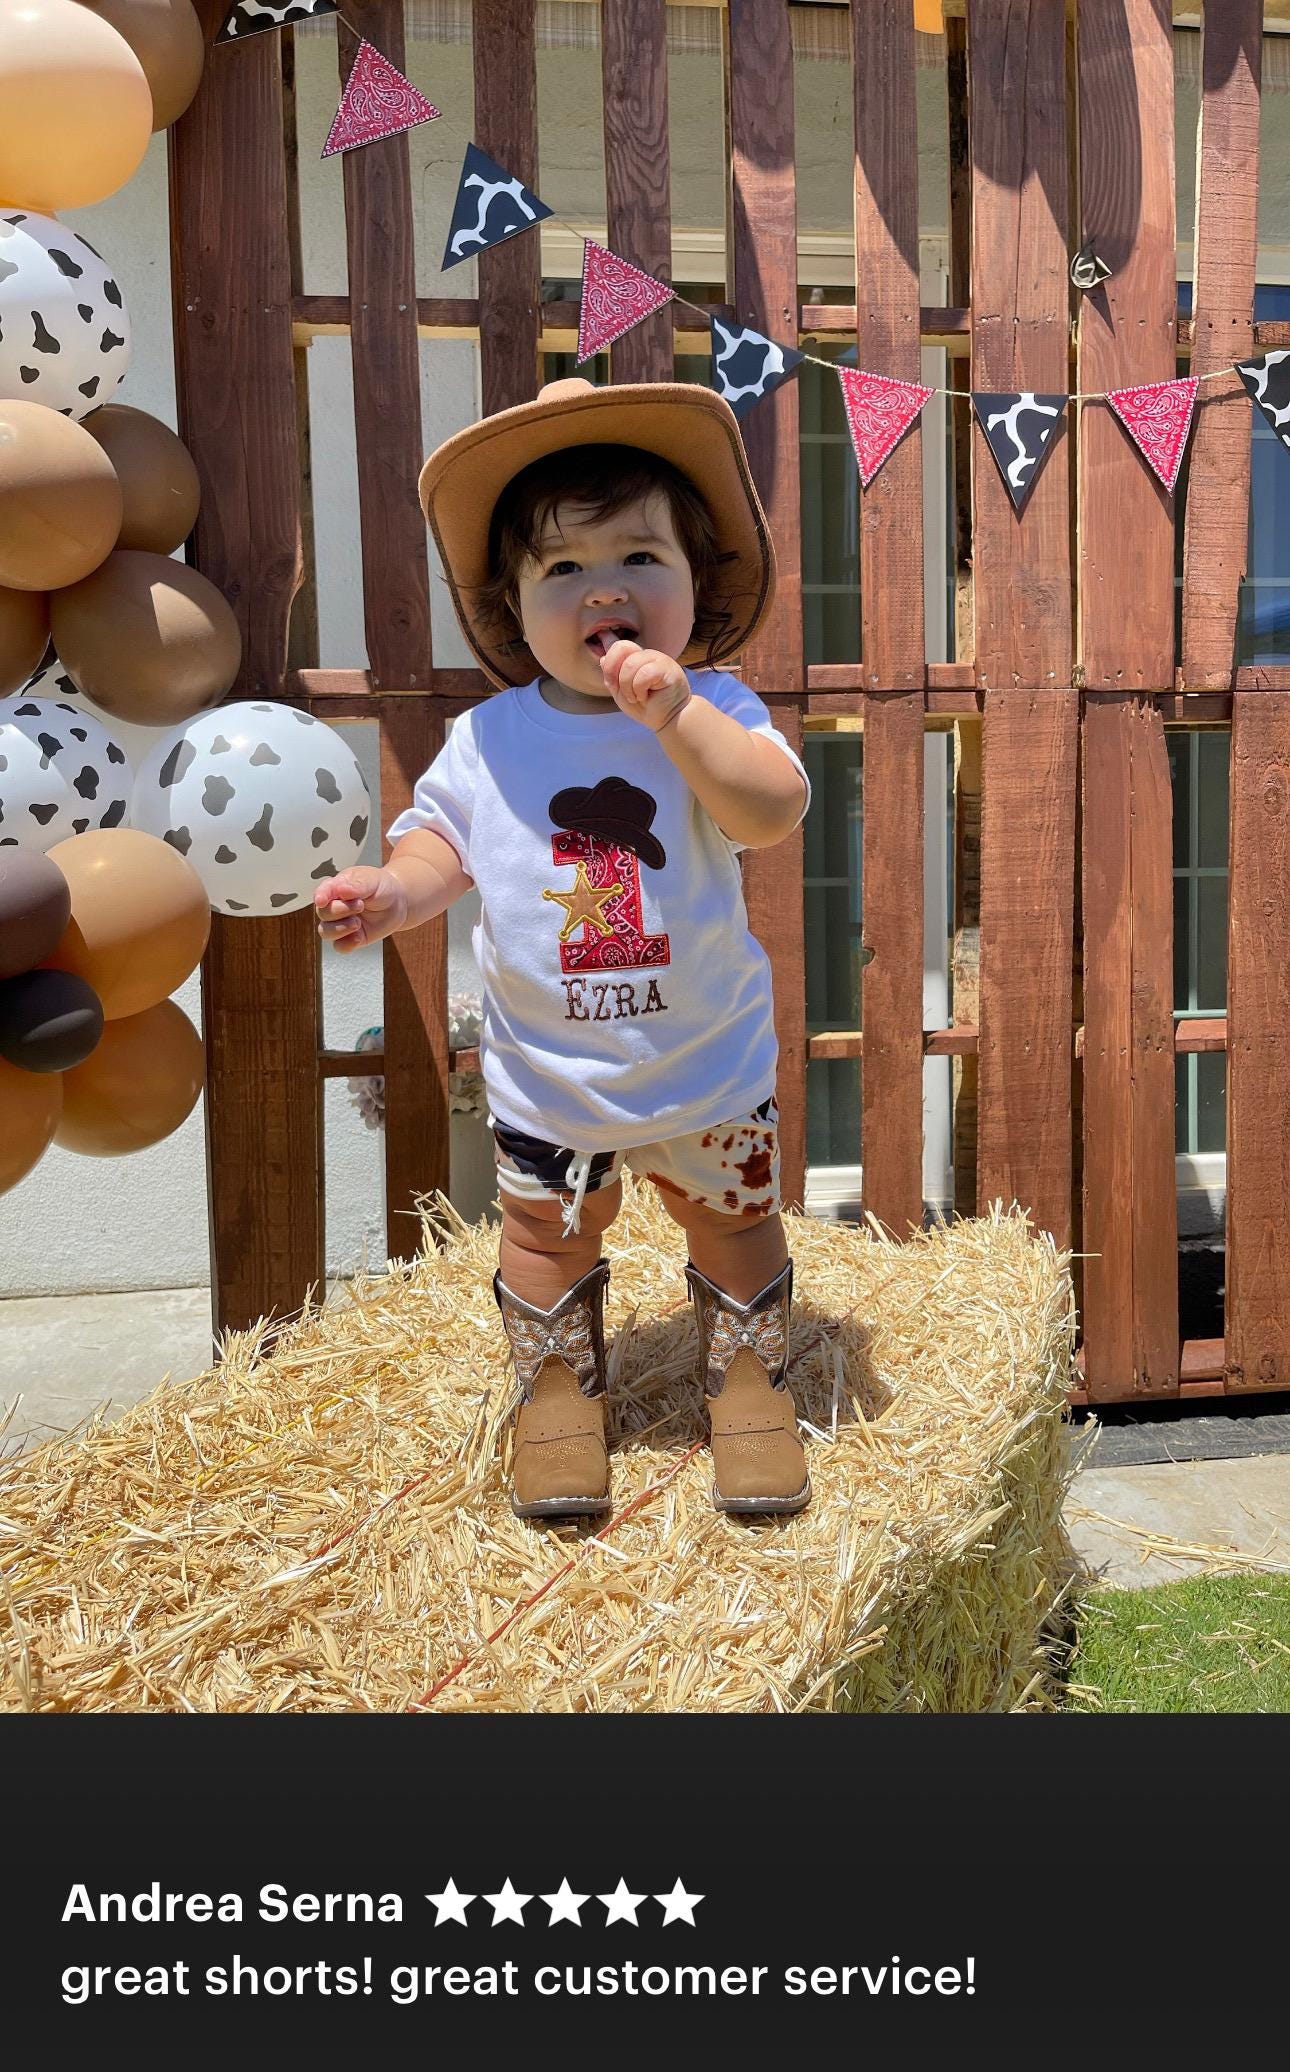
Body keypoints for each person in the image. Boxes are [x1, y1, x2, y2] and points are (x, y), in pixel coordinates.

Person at [315, 376, 812, 1522]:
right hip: (550, 1080)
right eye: (562, 570)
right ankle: (556, 1396)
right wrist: (396, 892)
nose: (605, 589)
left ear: (697, 585)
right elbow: (446, 842)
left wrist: (675, 714)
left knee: (735, 1227)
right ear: (513, 606)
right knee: (543, 1236)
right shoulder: (488, 738)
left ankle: (748, 1393)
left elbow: (769, 811)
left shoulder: (718, 705)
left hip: (707, 1069)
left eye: (641, 557)